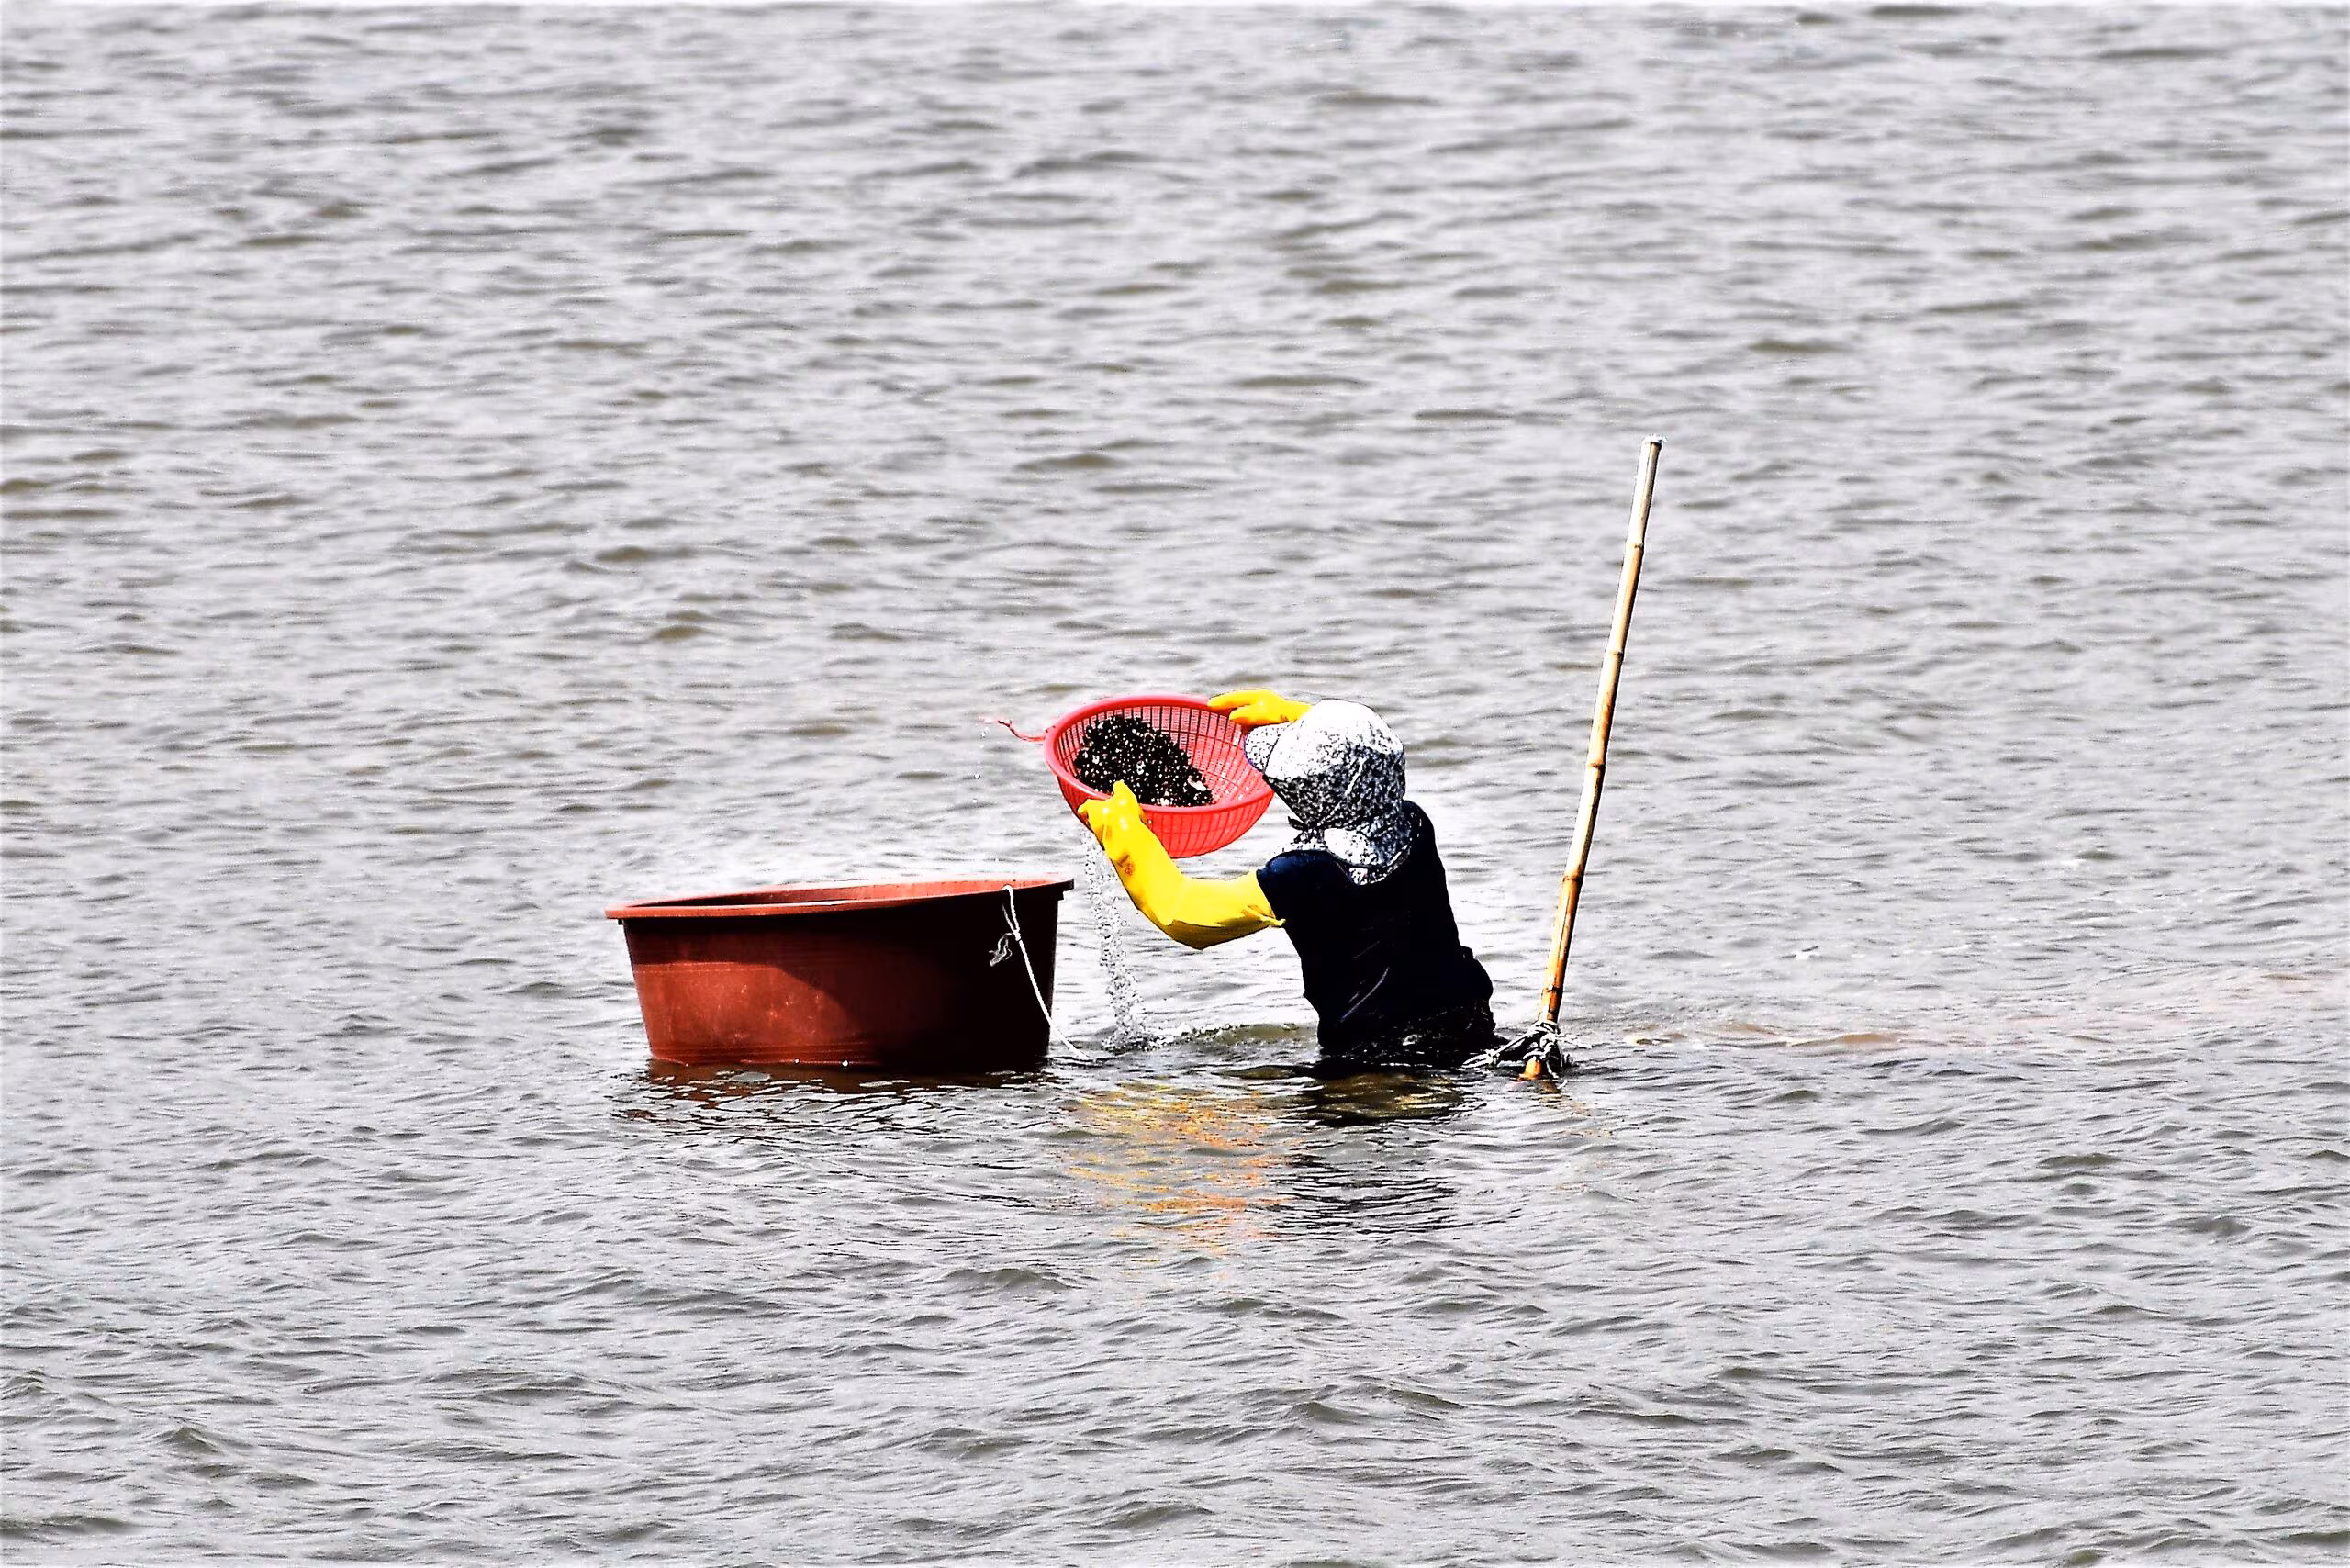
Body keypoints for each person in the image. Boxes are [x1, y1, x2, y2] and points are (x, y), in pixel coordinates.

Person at [1077, 689, 1497, 1070]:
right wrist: (1299, 717)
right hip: (1467, 1023)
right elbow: (1365, 762)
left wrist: (1124, 833)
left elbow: (1183, 913)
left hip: (1375, 1057)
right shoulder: (1414, 824)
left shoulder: (1304, 873)